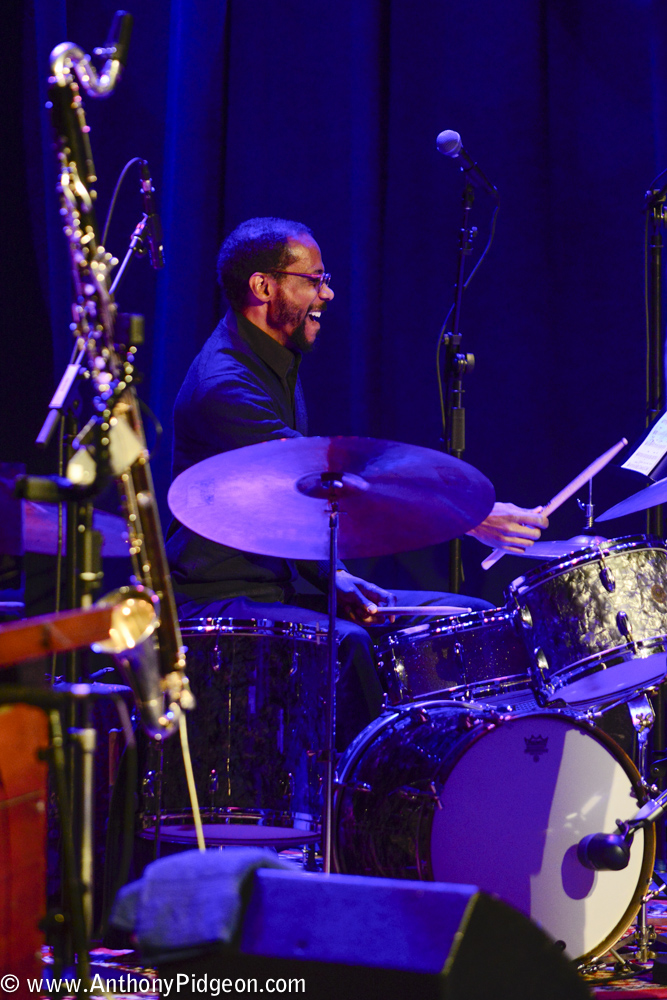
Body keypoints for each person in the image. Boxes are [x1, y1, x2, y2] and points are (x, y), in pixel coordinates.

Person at [166, 217, 547, 747]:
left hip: (286, 587)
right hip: (221, 596)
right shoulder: (224, 386)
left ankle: (477, 769)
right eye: (314, 280)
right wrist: (467, 513)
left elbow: (287, 507)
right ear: (263, 286)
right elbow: (320, 480)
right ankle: (372, 788)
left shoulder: (272, 358)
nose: (328, 293)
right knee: (350, 645)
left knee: (472, 620)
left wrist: (336, 577)